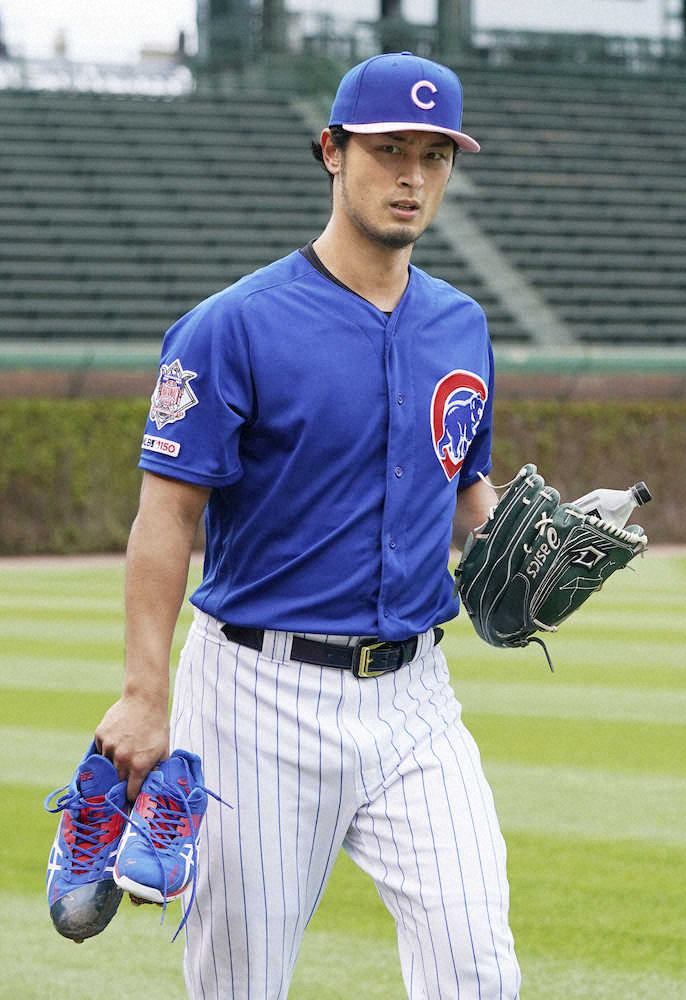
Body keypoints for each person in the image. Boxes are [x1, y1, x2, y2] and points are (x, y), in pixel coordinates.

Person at [95, 50, 521, 1000]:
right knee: (240, 983)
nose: (412, 176)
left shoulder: (461, 325)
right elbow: (165, 518)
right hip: (258, 696)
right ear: (332, 151)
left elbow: (467, 485)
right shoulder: (231, 326)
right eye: (388, 149)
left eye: (434, 155)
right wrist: (144, 694)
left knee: (478, 965)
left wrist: (518, 559)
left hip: (415, 697)